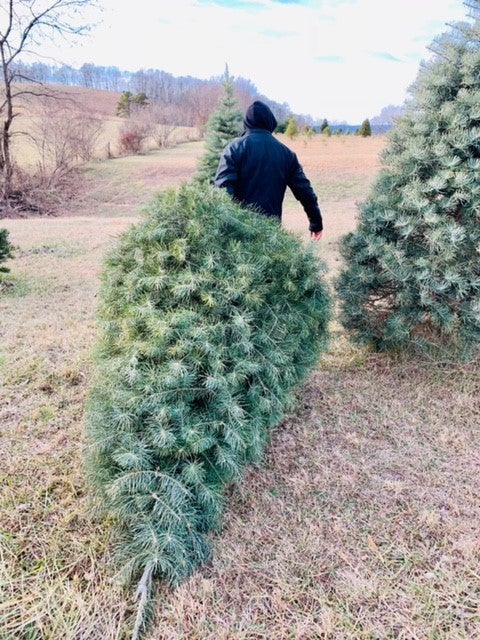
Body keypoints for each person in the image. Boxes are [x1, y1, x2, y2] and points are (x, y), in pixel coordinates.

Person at [214, 100, 323, 241]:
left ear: (246, 123)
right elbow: (305, 192)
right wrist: (316, 222)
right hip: (271, 235)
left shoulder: (234, 149)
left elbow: (222, 192)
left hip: (237, 238)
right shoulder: (286, 154)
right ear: (270, 122)